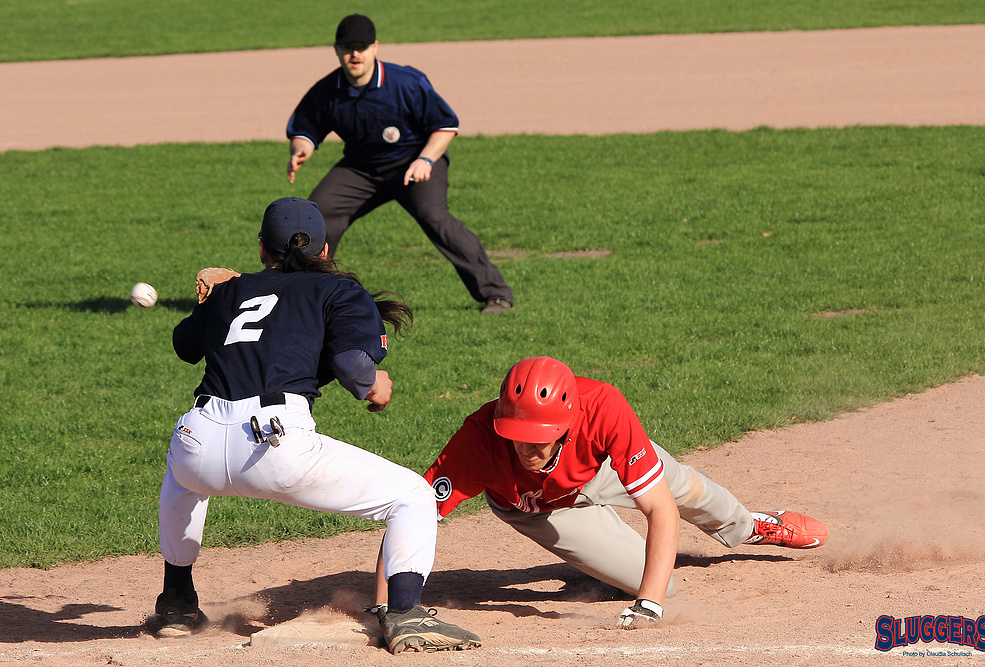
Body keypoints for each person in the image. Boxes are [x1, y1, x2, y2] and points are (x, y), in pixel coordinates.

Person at [152, 196, 481, 654]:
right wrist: (375, 388)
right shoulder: (339, 291)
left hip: (199, 436)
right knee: (412, 496)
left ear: (262, 248)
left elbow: (184, 346)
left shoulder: (231, 291)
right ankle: (406, 613)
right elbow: (351, 365)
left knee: (182, 478)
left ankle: (176, 604)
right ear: (324, 251)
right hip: (275, 446)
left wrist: (216, 303)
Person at [377, 356, 827, 629]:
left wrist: (649, 609)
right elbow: (411, 514)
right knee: (658, 580)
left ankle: (754, 526)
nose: (526, 447)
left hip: (603, 468)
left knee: (686, 488)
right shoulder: (478, 441)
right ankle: (600, 568)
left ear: (567, 423)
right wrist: (387, 609)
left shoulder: (603, 408)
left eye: (539, 436)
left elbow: (660, 508)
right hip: (536, 509)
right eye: (516, 434)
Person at [285, 13, 514, 315]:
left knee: (435, 217)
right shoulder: (327, 91)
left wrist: (426, 159)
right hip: (361, 168)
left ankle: (496, 294)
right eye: (347, 47)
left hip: (414, 163)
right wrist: (301, 149)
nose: (355, 54)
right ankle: (303, 298)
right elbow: (304, 131)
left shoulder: (405, 82)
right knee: (316, 215)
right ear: (336, 50)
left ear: (375, 47)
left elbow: (445, 126)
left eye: (362, 46)